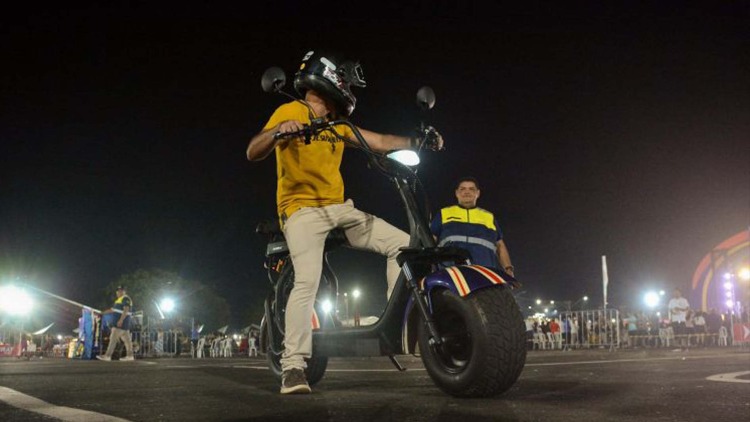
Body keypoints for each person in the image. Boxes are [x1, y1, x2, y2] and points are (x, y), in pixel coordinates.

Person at [246, 50, 442, 394]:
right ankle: (293, 366)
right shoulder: (291, 110)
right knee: (307, 279)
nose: (351, 88)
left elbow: (377, 141)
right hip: (301, 210)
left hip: (339, 208)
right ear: (331, 77)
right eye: (348, 81)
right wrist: (280, 130)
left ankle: (402, 329)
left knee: (407, 246)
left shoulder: (339, 125)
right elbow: (253, 151)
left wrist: (418, 141)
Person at [430, 177, 514, 275]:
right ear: (457, 193)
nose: (467, 192)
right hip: (451, 274)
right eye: (463, 189)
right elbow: (431, 241)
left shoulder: (489, 217)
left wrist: (508, 269)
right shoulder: (444, 213)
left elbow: (500, 245)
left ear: (477, 193)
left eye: (471, 189)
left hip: (485, 274)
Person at [97, 285, 135, 361]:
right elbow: (112, 310)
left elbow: (126, 309)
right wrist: (102, 313)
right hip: (124, 324)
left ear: (124, 291)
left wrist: (120, 320)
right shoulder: (118, 301)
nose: (119, 292)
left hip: (120, 324)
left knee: (113, 339)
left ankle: (107, 356)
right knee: (127, 341)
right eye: (118, 291)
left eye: (121, 290)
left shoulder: (125, 298)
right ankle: (130, 355)